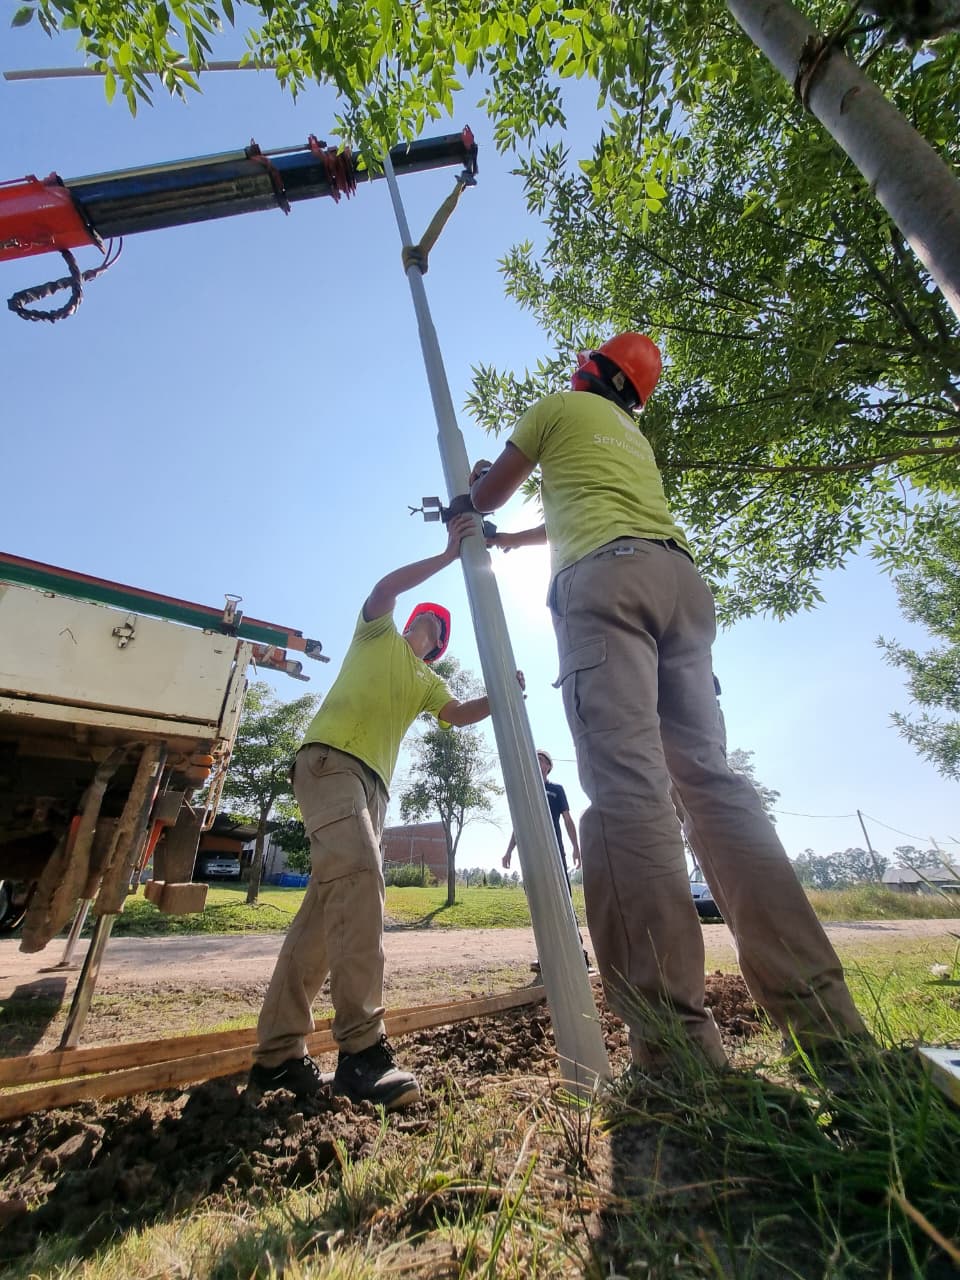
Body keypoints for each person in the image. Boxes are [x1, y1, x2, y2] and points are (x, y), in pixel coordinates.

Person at [469, 332, 867, 1071]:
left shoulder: (555, 407)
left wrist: (476, 494)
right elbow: (569, 508)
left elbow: (487, 494)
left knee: (630, 789)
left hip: (607, 585)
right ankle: (828, 1027)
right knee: (713, 788)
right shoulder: (630, 440)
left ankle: (675, 1049)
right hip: (680, 585)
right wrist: (516, 543)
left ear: (587, 372)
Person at [249, 514, 518, 1109]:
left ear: (439, 647)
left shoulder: (425, 682)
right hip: (330, 765)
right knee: (366, 881)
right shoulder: (376, 636)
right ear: (413, 619)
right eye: (426, 617)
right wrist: (448, 554)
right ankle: (362, 1053)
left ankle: (275, 1059)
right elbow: (383, 590)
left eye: (436, 628)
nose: (427, 625)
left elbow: (458, 714)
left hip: (370, 789)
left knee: (320, 923)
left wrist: (503, 692)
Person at [502, 749, 581, 881]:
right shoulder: (526, 791)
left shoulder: (557, 789)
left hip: (554, 848)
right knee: (535, 893)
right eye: (535, 759)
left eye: (540, 759)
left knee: (560, 886)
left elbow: (568, 820)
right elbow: (519, 824)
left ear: (548, 766)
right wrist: (509, 851)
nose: (536, 761)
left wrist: (576, 847)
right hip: (532, 851)